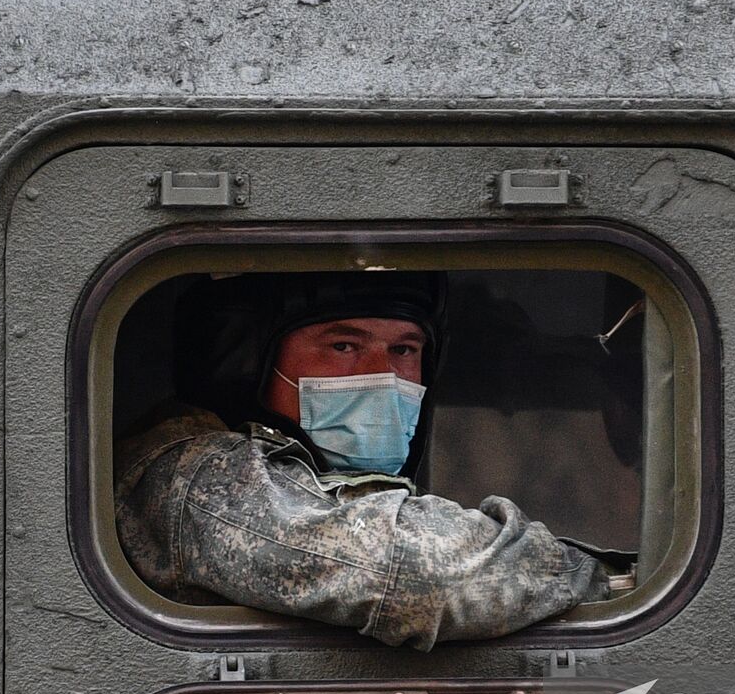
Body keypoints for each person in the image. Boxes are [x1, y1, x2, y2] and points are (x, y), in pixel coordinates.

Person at [114, 270, 615, 650]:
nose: (382, 374)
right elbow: (428, 574)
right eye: (343, 345)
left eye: (404, 349)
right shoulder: (193, 474)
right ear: (248, 364)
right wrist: (602, 579)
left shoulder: (304, 476)